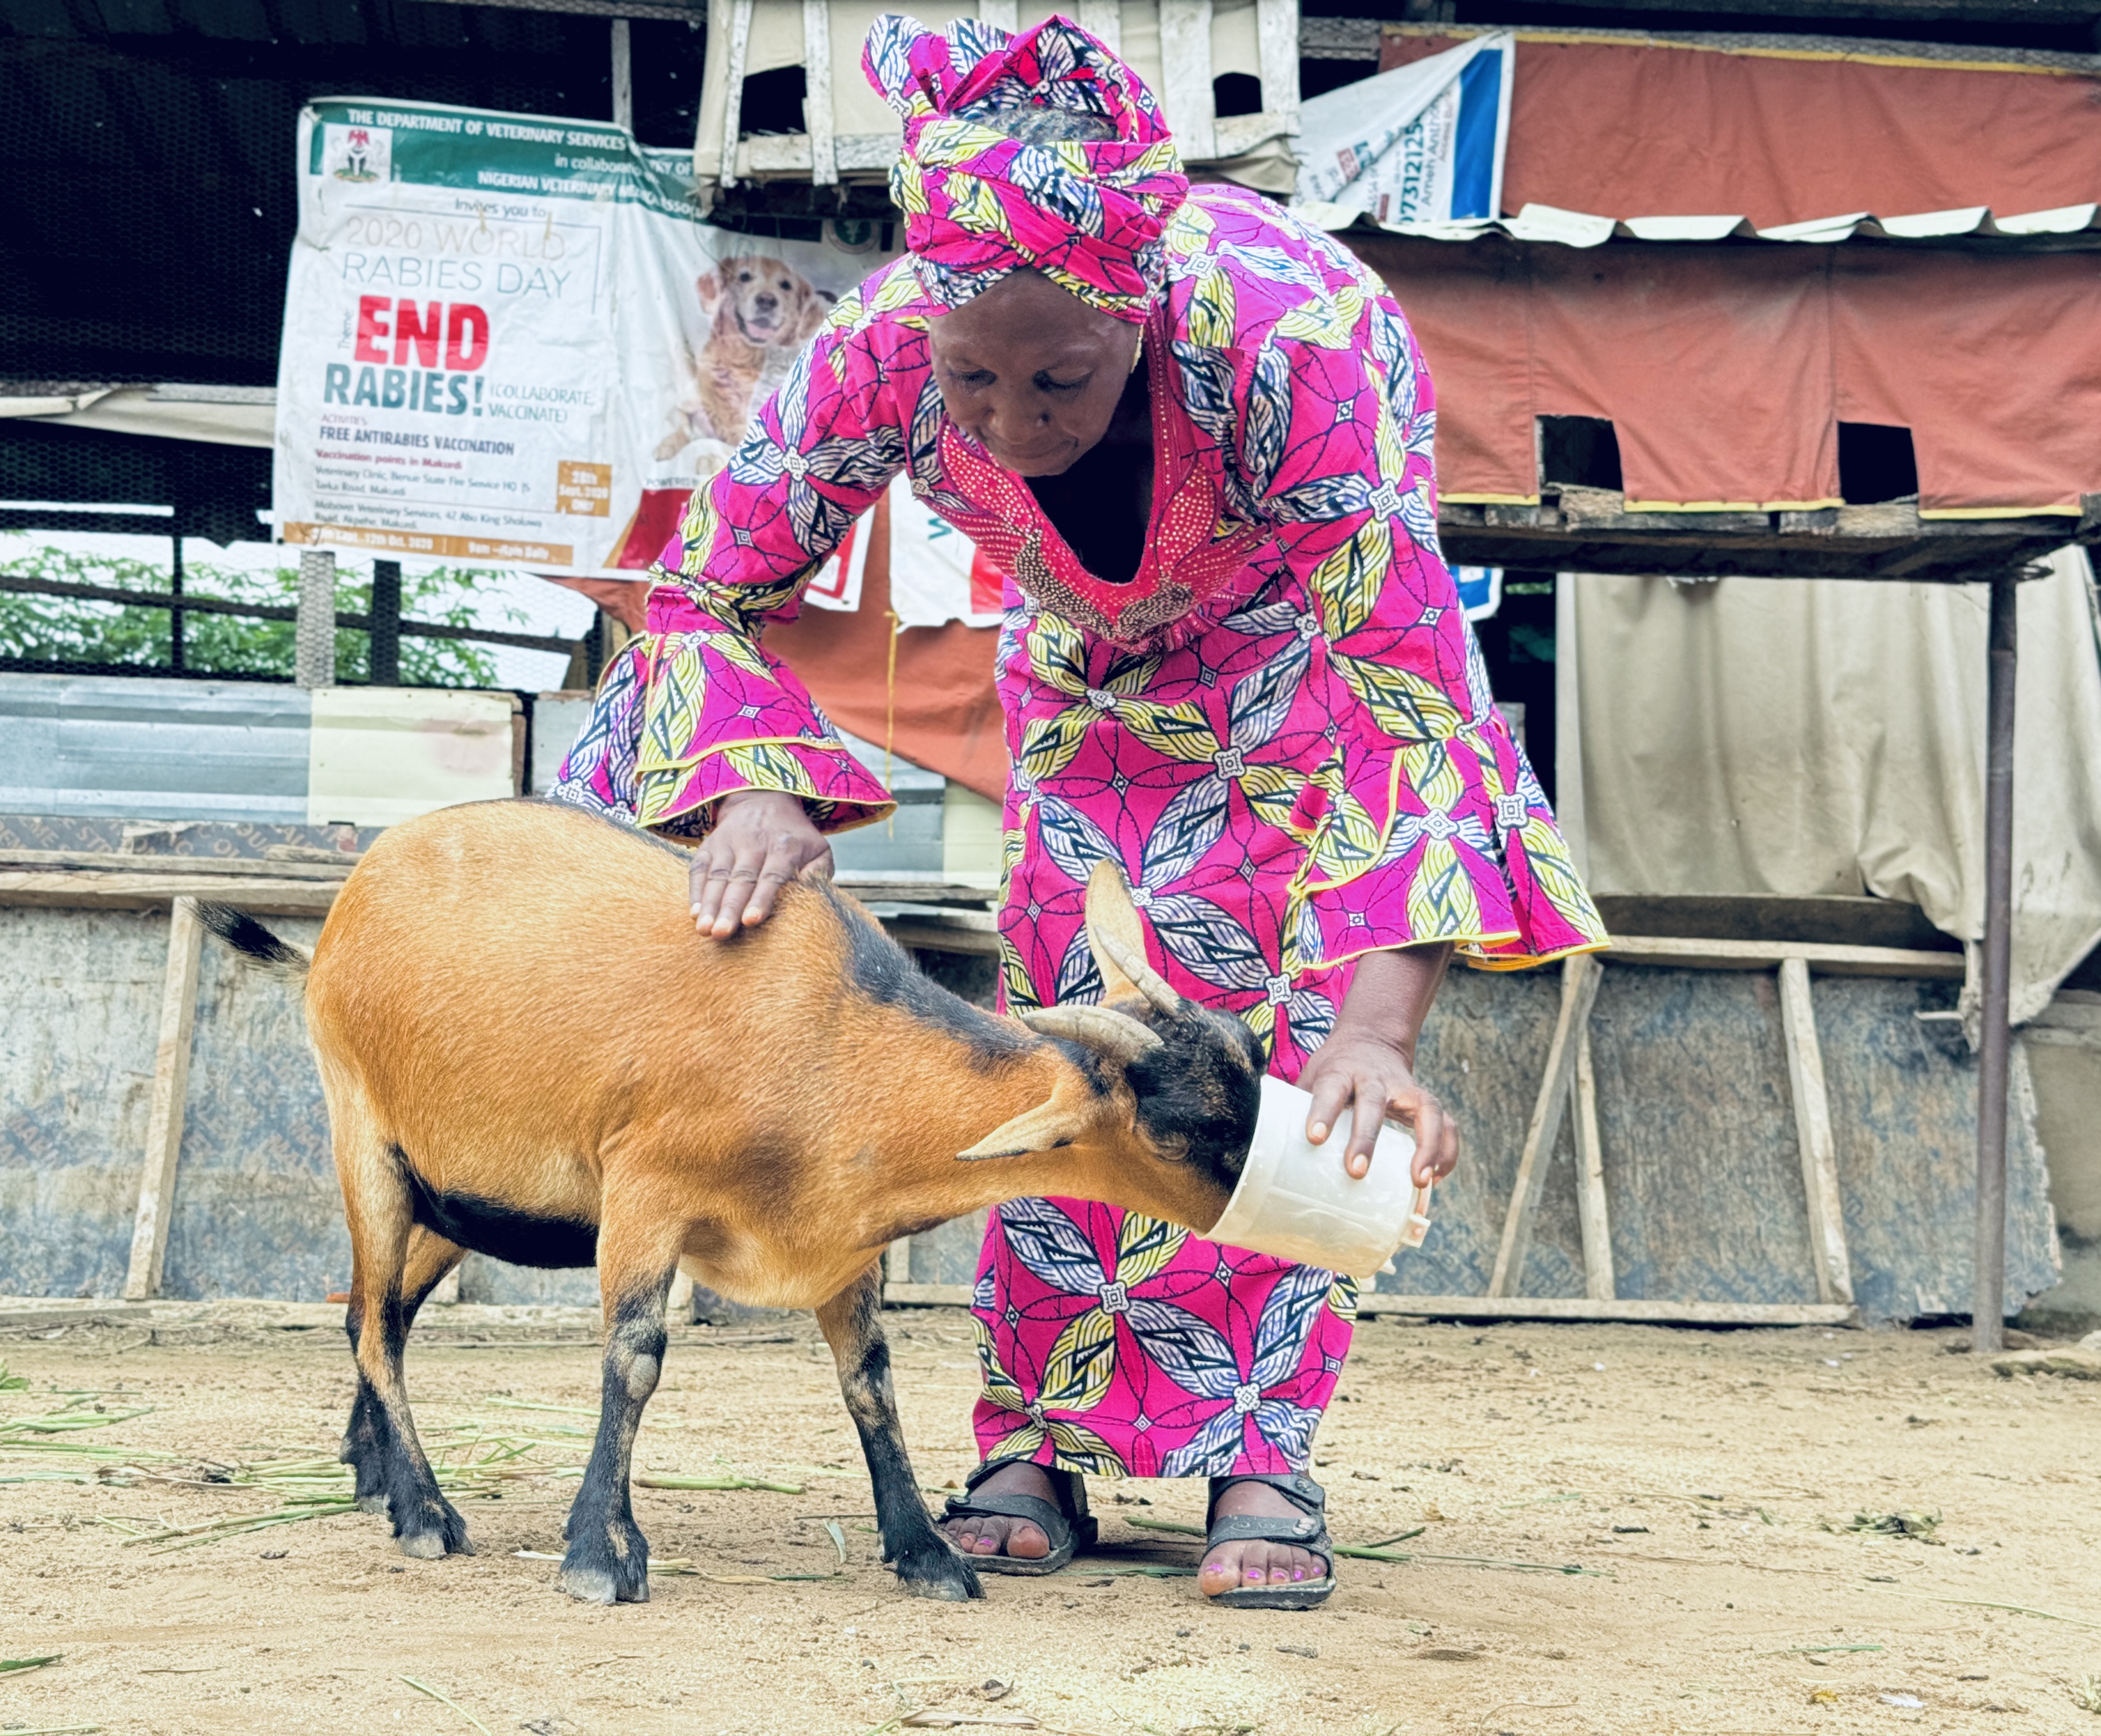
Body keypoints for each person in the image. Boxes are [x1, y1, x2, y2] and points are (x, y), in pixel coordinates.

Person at [552, 10, 1606, 1609]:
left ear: (1141, 314)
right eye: (972, 382)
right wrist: (756, 785)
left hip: (1298, 672)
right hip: (1089, 685)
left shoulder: (1294, 335)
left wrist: (1382, 1029)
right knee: (1069, 1047)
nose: (1010, 422)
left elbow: (1414, 688)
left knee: (1287, 1051)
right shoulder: (884, 342)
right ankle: (1035, 1439)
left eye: (1061, 378)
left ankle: (1262, 1453)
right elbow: (707, 584)